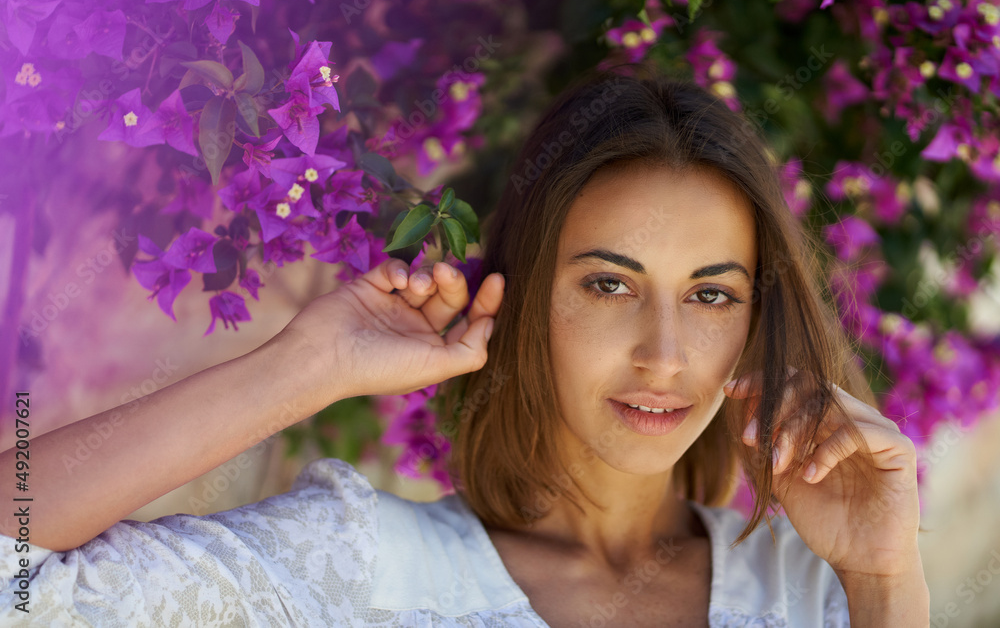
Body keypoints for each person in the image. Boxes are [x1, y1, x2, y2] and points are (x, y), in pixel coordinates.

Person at [0, 65, 929, 626]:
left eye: (712, 294)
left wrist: (886, 580)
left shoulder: (814, 589)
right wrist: (301, 368)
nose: (665, 352)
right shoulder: (366, 568)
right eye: (609, 283)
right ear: (522, 296)